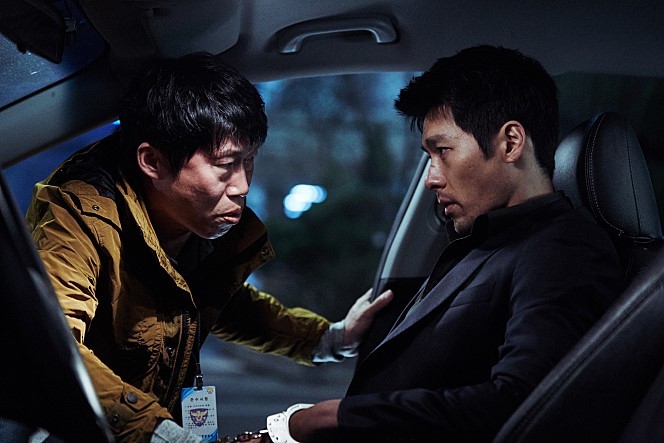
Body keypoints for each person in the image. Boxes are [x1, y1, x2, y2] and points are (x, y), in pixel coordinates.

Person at [261, 45, 623, 443]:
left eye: (443, 151)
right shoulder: (487, 240)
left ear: (511, 143)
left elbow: (523, 405)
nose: (431, 179)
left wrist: (328, 417)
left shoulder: (564, 250)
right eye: (428, 155)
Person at [25, 53, 392, 443]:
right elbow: (53, 348)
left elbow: (225, 303)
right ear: (153, 161)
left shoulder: (196, 223)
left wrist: (332, 339)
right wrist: (162, 434)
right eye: (225, 165)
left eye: (249, 161)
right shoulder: (79, 218)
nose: (242, 186)